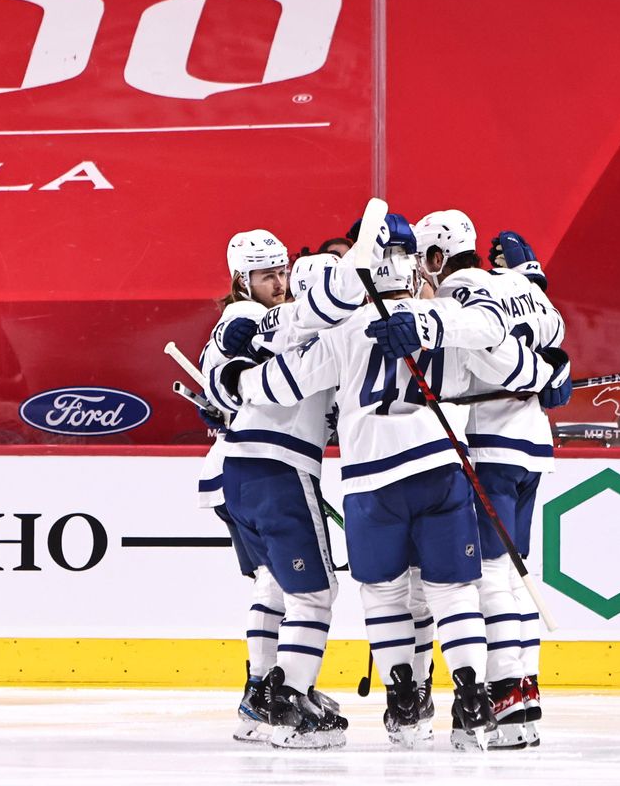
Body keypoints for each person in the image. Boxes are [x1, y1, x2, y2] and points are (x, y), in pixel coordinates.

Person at [217, 223, 569, 751]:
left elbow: (282, 384)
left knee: (383, 594)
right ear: (412, 264)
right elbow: (500, 352)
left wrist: (234, 381)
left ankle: (405, 703)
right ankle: (473, 701)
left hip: (370, 481)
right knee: (453, 590)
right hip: (441, 468)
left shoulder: (344, 325)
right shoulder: (445, 316)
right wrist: (545, 370)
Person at [366, 215, 565, 747]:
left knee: (490, 578)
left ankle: (501, 694)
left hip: (490, 448)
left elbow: (499, 359)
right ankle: (523, 693)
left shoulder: (459, 290)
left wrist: (538, 374)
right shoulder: (525, 286)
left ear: (435, 258)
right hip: (532, 448)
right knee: (521, 572)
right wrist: (554, 369)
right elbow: (555, 336)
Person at [203, 226, 396, 748]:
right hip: (278, 468)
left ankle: (261, 694)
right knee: (315, 593)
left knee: (274, 583)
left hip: (241, 468)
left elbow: (226, 382)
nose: (278, 282)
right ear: (241, 279)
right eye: (267, 274)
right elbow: (294, 328)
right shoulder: (247, 317)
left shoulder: (247, 320)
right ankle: (286, 704)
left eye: (282, 271)